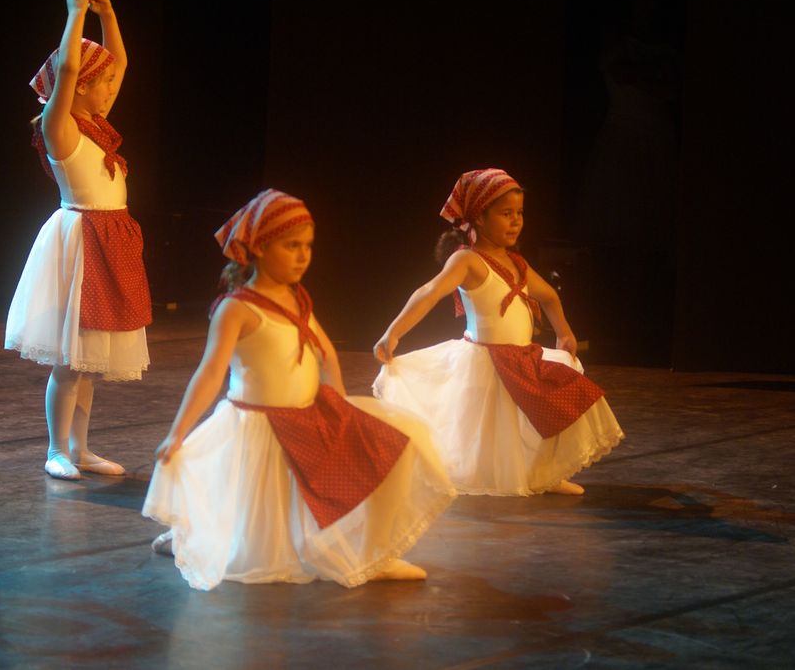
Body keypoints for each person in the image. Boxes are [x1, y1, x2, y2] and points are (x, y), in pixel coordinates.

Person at [142, 190, 454, 590]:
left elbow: (325, 352)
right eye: (292, 246)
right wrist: (178, 431)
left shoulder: (296, 297)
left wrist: (339, 405)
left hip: (305, 415)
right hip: (258, 425)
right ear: (259, 247)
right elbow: (210, 372)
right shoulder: (236, 308)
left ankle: (369, 552)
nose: (303, 256)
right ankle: (193, 539)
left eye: (308, 246)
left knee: (397, 447)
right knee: (256, 517)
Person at [373, 169, 623, 496]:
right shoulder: (467, 260)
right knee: (491, 431)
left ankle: (544, 474)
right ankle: (493, 475)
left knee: (546, 411)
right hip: (485, 362)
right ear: (479, 217)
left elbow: (548, 295)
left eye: (520, 213)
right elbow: (430, 292)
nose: (516, 221)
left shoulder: (516, 262)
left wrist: (564, 332)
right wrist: (393, 333)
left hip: (521, 358)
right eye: (506, 214)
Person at [5, 0, 151, 481]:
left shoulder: (98, 127)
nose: (112, 88)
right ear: (80, 86)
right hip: (82, 241)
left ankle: (81, 448)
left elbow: (121, 62)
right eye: (102, 82)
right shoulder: (61, 129)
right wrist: (76, 15)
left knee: (88, 362)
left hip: (111, 241)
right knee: (70, 361)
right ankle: (56, 450)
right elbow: (67, 69)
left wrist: (109, 16)